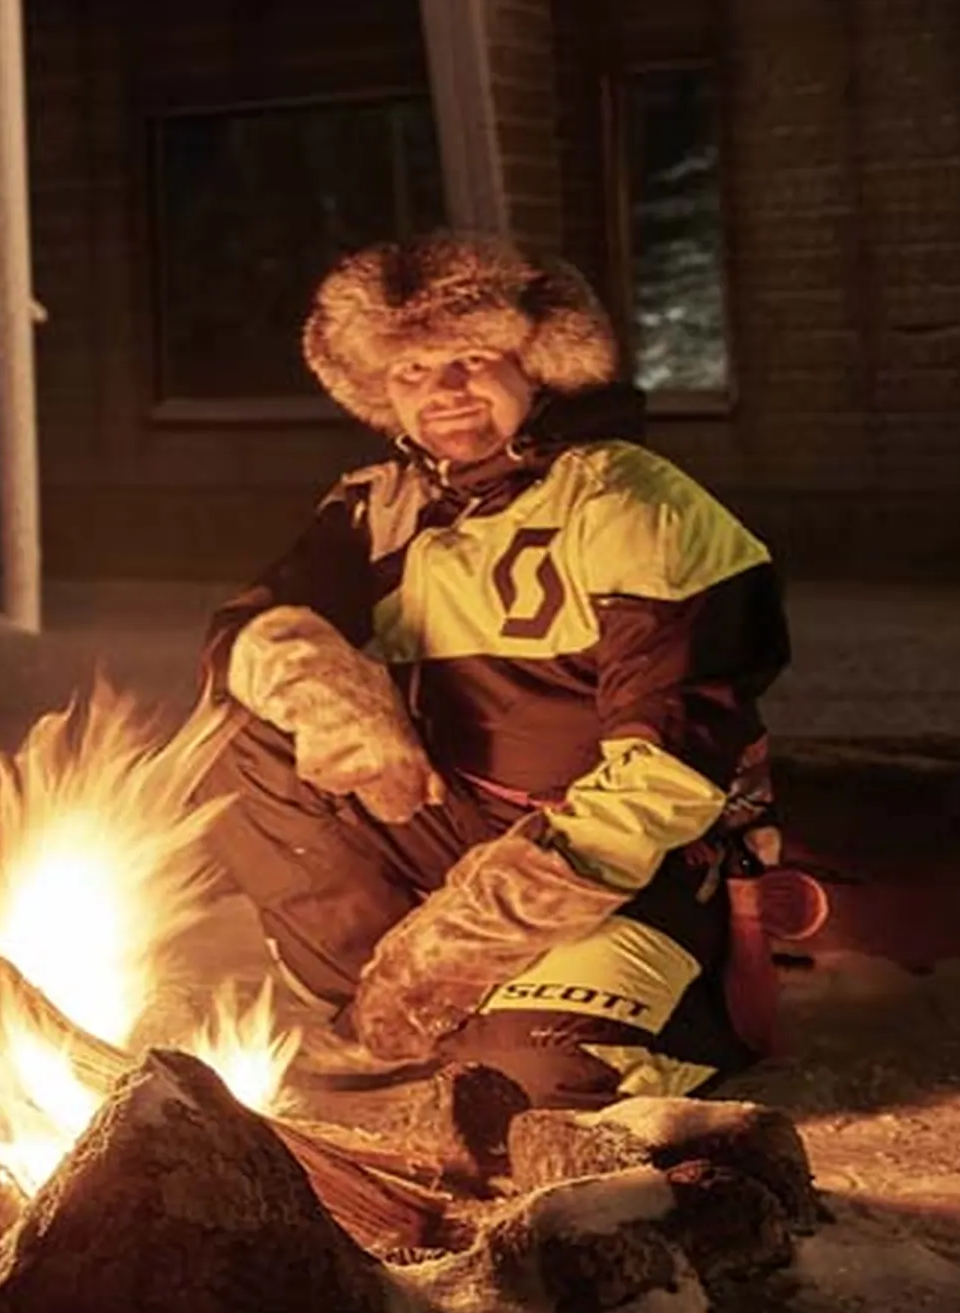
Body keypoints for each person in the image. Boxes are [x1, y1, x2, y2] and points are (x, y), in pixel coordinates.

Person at [201, 231, 790, 1104]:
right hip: (456, 835)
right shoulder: (381, 506)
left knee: (526, 1080)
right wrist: (329, 696)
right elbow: (245, 629)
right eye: (409, 372)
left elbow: (670, 774)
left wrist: (467, 937)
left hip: (627, 869)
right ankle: (388, 1003)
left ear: (537, 365)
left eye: (470, 359)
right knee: (238, 738)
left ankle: (501, 1003)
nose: (440, 392)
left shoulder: (633, 500)